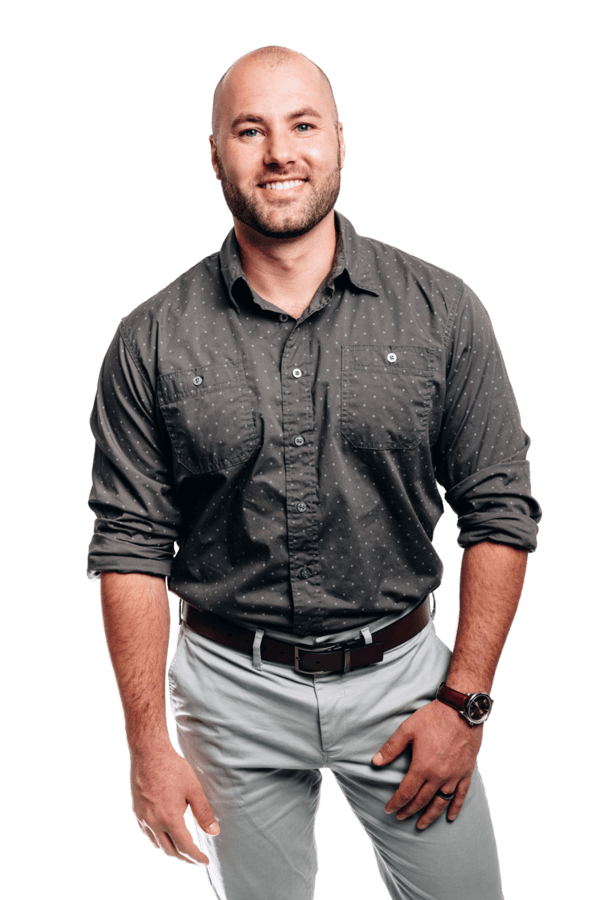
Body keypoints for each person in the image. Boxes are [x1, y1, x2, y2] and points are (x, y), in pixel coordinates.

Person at [87, 44, 542, 900]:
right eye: (249, 130)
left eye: (302, 125)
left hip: (405, 684)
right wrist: (147, 746)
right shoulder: (149, 339)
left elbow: (500, 511)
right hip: (229, 691)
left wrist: (465, 704)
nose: (279, 152)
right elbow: (130, 547)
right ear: (215, 155)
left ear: (339, 141)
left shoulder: (444, 311)